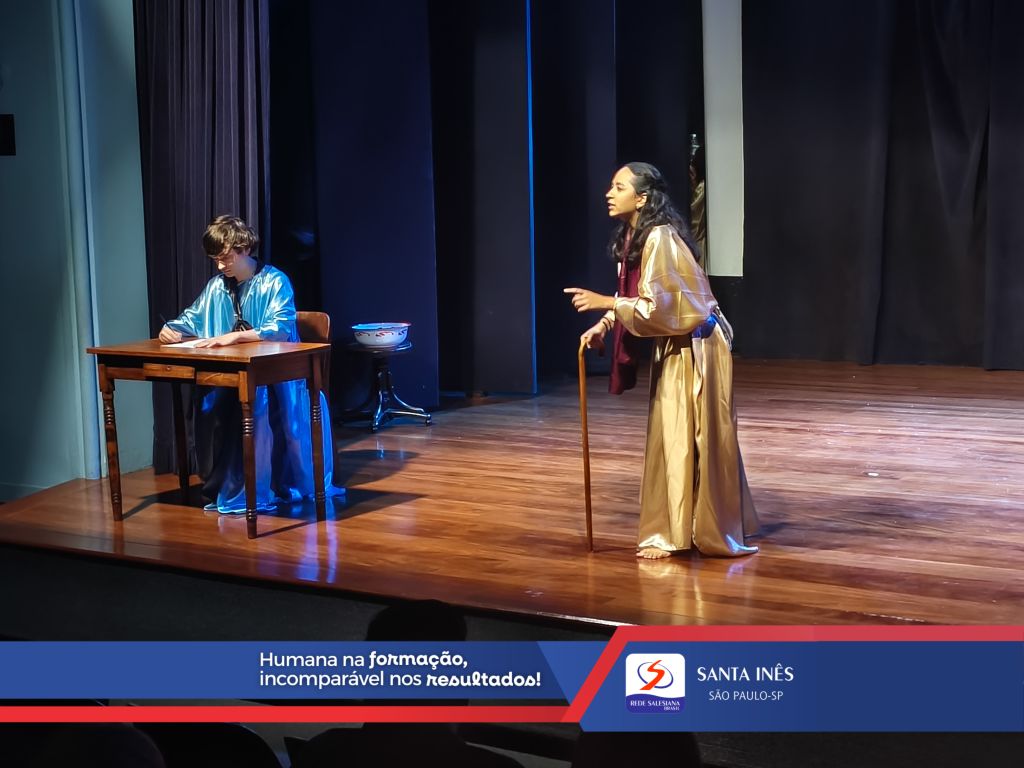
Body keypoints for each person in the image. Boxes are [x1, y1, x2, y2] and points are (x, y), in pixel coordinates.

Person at [564, 163, 758, 558]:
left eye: (619, 187)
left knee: (689, 433)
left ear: (642, 198)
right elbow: (638, 295)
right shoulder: (636, 237)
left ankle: (685, 532)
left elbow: (660, 309)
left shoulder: (661, 238)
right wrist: (605, 323)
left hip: (695, 344)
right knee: (675, 432)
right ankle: (682, 525)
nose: (609, 193)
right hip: (677, 342)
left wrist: (606, 304)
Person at [158, 215, 342, 514]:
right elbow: (191, 318)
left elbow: (279, 327)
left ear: (244, 249)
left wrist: (234, 337)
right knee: (214, 400)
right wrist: (172, 329)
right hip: (234, 376)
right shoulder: (217, 288)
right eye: (216, 260)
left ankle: (263, 487)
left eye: (226, 258)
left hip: (277, 378)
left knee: (256, 403)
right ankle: (226, 483)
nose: (221, 266)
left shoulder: (274, 281)